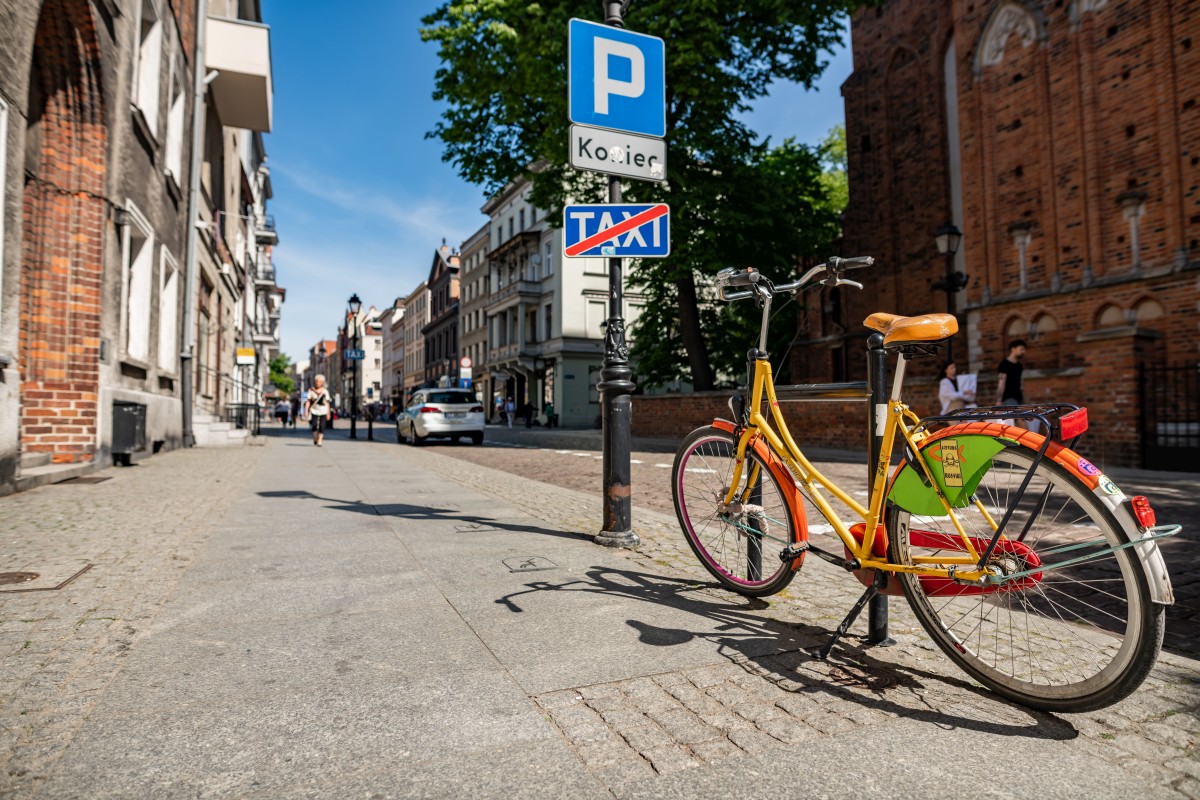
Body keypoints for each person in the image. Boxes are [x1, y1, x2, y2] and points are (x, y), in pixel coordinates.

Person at [995, 339, 1027, 428]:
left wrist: (1024, 401)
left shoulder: (1019, 366)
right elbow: (1001, 382)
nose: (1023, 352)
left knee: (1019, 421)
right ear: (1013, 349)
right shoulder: (1004, 364)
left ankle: (1022, 441)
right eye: (1021, 349)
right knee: (1020, 420)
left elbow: (1021, 384)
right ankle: (1032, 441)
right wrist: (998, 400)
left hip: (1018, 398)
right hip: (1008, 398)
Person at [306, 374, 332, 446]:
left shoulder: (325, 391)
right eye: (317, 381)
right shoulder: (311, 390)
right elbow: (308, 401)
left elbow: (327, 403)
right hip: (314, 410)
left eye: (320, 381)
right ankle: (315, 437)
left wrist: (328, 413)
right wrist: (306, 411)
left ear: (322, 382)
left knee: (322, 425)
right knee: (314, 425)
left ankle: (320, 440)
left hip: (323, 410)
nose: (318, 383)